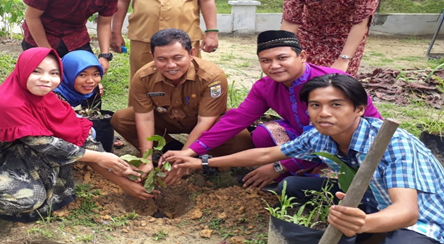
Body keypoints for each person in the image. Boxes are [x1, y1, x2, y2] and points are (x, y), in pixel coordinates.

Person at [166, 74, 444, 244]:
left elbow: (407, 211)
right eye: (315, 105)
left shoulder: (392, 143)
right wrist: (201, 161)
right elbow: (266, 154)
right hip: (364, 199)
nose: (324, 113)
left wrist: (362, 224)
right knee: (291, 186)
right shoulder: (320, 135)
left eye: (336, 105)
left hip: (421, 216)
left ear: (359, 109)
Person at [0, 48, 148, 237]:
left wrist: (122, 173)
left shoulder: (46, 98)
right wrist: (102, 157)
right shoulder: (8, 103)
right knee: (28, 198)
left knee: (53, 183)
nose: (46, 79)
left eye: (53, 73)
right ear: (22, 72)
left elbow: (79, 133)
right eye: (36, 71)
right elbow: (48, 145)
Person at [165, 30, 381, 189]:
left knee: (304, 184)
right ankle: (293, 174)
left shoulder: (334, 84)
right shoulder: (265, 87)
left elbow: (374, 130)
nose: (274, 66)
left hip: (346, 147)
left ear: (302, 56)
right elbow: (236, 120)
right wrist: (191, 152)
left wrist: (280, 166)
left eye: (282, 58)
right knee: (263, 133)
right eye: (266, 61)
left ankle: (304, 175)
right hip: (306, 140)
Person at [111, 28, 253, 184]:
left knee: (241, 139)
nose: (170, 65)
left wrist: (184, 157)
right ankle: (168, 150)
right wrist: (146, 158)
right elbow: (145, 119)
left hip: (205, 123)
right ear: (152, 57)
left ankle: (203, 158)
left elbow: (204, 122)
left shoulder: (212, 77)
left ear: (191, 53)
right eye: (162, 59)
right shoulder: (143, 77)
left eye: (177, 57)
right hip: (166, 119)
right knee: (122, 119)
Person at [54, 50, 115, 152]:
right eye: (82, 75)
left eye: (96, 74)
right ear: (67, 74)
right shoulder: (54, 98)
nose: (90, 80)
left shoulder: (65, 91)